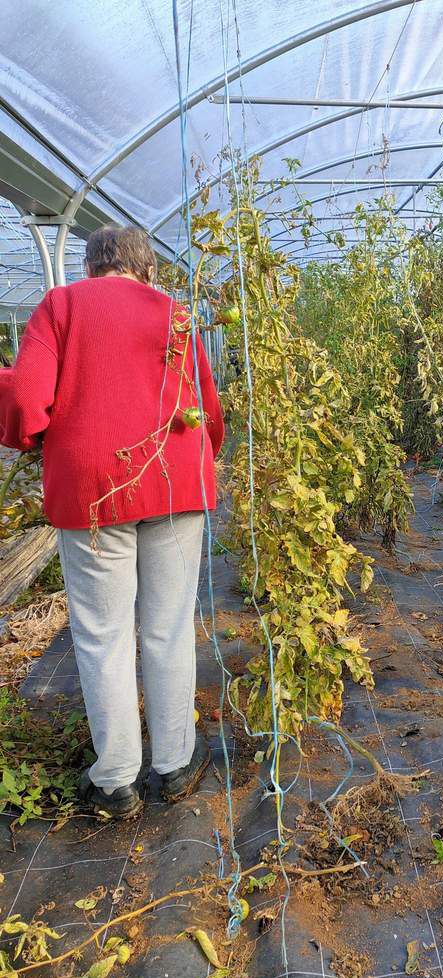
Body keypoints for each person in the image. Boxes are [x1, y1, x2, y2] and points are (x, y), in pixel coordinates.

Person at [0, 225, 225, 819]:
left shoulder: (61, 306)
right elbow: (206, 403)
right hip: (175, 483)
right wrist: (205, 454)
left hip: (94, 490)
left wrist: (34, 436)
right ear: (147, 270)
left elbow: (25, 396)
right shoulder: (173, 314)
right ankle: (174, 767)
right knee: (168, 628)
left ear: (92, 266)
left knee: (103, 635)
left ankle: (116, 780)